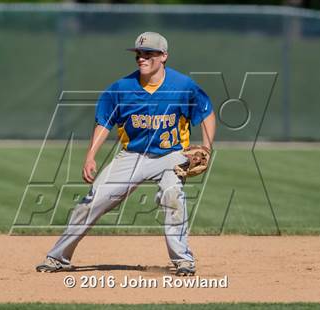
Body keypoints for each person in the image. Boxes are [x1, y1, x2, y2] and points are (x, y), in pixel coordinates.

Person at [36, 32, 216, 276]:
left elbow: (206, 112)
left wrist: (206, 147)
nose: (142, 58)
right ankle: (58, 257)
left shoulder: (183, 86)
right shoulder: (122, 88)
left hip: (171, 155)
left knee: (173, 197)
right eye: (139, 54)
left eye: (148, 53)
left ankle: (183, 260)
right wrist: (90, 155)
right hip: (132, 155)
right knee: (92, 201)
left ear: (164, 56)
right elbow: (104, 122)